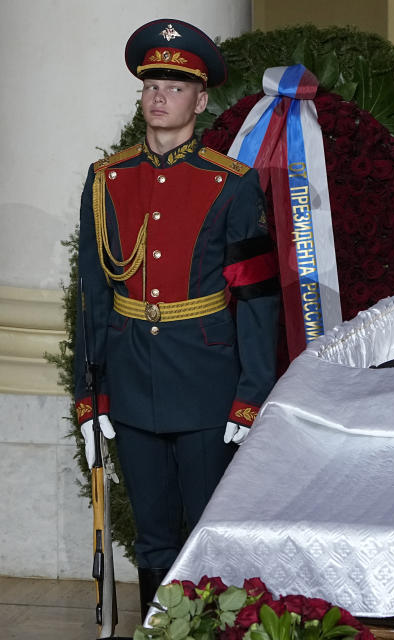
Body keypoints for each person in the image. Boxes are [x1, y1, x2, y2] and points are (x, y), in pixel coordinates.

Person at [73, 19, 280, 618]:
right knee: (153, 532)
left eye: (175, 85)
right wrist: (90, 395)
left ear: (201, 100)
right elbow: (93, 294)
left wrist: (250, 396)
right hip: (133, 379)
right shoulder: (107, 180)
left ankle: (211, 630)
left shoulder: (231, 185)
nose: (159, 95)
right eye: (151, 84)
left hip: (206, 379)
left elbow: (258, 301)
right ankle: (159, 630)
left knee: (207, 527)